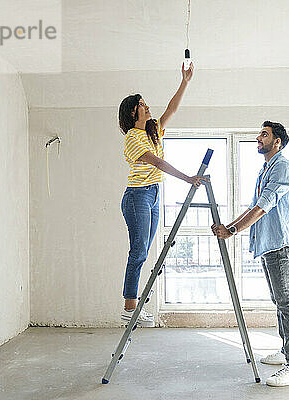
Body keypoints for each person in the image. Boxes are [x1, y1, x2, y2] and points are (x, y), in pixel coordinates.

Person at [211, 121, 289, 387]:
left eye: (264, 134)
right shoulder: (266, 169)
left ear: (277, 141)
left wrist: (233, 230)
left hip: (280, 244)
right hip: (268, 244)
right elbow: (254, 205)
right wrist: (230, 227)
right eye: (259, 134)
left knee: (287, 304)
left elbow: (264, 206)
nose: (258, 138)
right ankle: (287, 352)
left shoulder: (283, 166)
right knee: (279, 302)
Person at [118, 63, 205, 327]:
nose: (147, 106)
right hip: (137, 197)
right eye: (142, 104)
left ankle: (135, 304)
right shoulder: (132, 137)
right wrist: (188, 178)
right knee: (139, 251)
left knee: (145, 250)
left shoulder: (153, 130)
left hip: (153, 195)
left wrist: (185, 82)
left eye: (145, 103)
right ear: (133, 112)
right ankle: (129, 308)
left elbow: (172, 109)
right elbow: (156, 162)